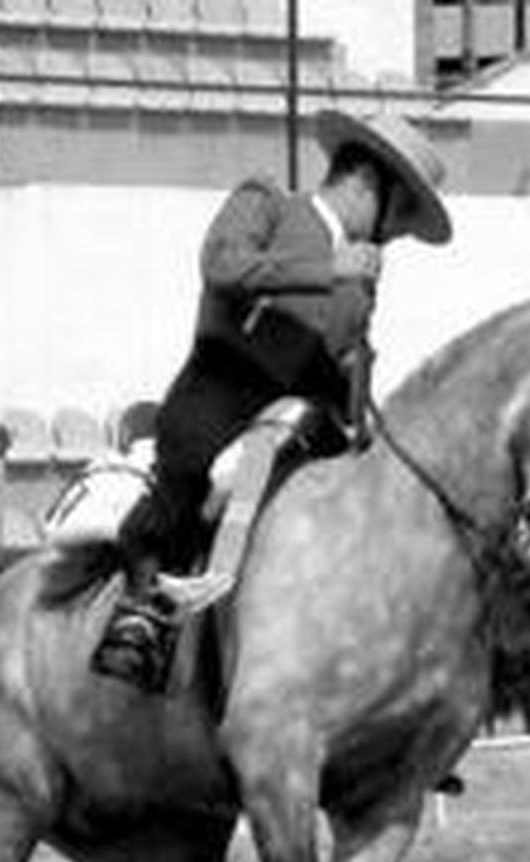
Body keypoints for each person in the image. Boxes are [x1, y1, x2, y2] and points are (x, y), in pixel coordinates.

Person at [93, 109, 454, 690]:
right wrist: (328, 267)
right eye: (402, 213)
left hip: (307, 417)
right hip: (224, 387)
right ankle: (141, 608)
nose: (399, 233)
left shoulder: (365, 275)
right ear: (365, 182)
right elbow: (222, 265)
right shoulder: (266, 200)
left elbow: (345, 358)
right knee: (190, 462)